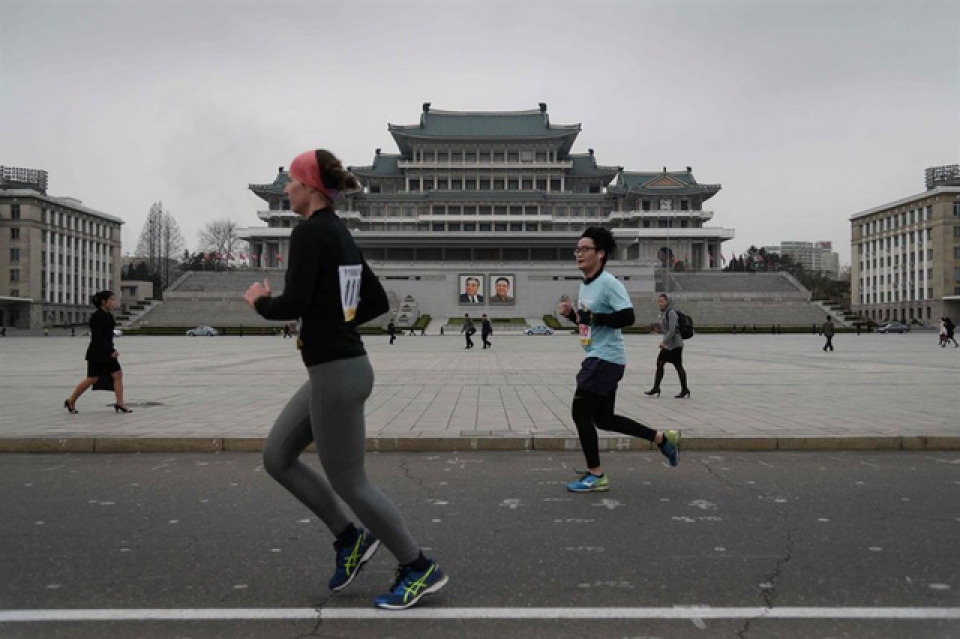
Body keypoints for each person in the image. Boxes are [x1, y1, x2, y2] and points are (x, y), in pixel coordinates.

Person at [243, 148, 447, 611]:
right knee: (278, 457)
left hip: (337, 371)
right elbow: (374, 301)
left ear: (310, 187)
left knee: (351, 482)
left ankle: (418, 566)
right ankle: (350, 539)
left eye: (291, 181)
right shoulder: (338, 232)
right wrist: (334, 317)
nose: (286, 189)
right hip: (335, 369)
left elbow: (292, 304)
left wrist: (258, 301)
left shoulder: (311, 232)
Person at [558, 227, 680, 493]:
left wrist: (594, 318)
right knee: (604, 419)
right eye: (577, 249)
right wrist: (571, 315)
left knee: (580, 412)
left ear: (600, 254)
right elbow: (589, 321)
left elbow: (627, 317)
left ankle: (596, 474)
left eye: (585, 249)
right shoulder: (586, 283)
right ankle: (662, 439)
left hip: (605, 358)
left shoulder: (609, 283)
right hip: (598, 356)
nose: (579, 253)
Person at [64, 290, 132, 414]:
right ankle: (71, 400)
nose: (113, 302)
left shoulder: (108, 315)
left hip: (107, 351)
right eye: (111, 300)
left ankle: (120, 403)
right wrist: (111, 350)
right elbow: (98, 338)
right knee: (92, 378)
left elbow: (107, 336)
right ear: (103, 302)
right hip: (97, 353)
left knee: (117, 374)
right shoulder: (97, 317)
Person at [645, 293, 690, 399]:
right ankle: (656, 387)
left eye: (662, 301)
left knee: (677, 365)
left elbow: (672, 330)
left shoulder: (671, 313)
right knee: (660, 363)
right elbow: (666, 329)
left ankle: (684, 389)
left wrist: (664, 342)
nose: (660, 303)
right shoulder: (664, 313)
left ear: (667, 302)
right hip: (669, 344)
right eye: (659, 301)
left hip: (675, 344)